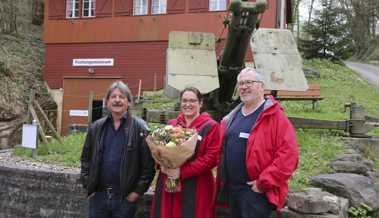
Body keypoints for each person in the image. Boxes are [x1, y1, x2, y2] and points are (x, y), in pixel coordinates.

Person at [216, 68, 299, 218]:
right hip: (232, 190)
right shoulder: (231, 117)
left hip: (256, 193)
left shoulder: (275, 117)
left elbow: (289, 156)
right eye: (241, 83)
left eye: (249, 82)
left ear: (261, 86)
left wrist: (263, 183)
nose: (244, 87)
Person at [80, 81, 155, 218]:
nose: (117, 100)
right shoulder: (96, 127)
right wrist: (88, 186)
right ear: (107, 102)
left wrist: (136, 193)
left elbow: (148, 166)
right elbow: (86, 159)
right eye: (113, 97)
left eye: (121, 97)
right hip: (98, 197)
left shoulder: (141, 129)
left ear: (129, 102)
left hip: (124, 200)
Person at [151, 87, 221, 218]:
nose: (188, 104)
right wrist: (161, 163)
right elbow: (160, 149)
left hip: (197, 184)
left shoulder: (211, 126)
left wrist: (181, 172)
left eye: (192, 101)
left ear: (200, 103)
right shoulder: (172, 124)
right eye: (184, 101)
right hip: (169, 181)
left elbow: (211, 157)